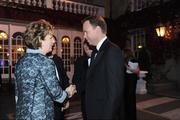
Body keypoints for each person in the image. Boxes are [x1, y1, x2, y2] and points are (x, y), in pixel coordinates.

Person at [14, 19, 76, 120]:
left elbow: (17, 96)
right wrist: (69, 92)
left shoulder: (20, 61)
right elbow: (57, 96)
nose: (54, 41)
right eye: (51, 37)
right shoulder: (45, 62)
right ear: (40, 39)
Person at [82, 16, 125, 119]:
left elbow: (115, 92)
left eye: (86, 32)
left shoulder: (112, 51)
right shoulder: (94, 53)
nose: (84, 36)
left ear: (97, 30)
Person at [47, 38, 70, 120]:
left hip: (61, 99)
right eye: (53, 45)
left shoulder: (58, 60)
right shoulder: (43, 62)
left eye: (56, 45)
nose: (54, 47)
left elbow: (64, 79)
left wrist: (66, 99)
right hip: (48, 102)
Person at [72, 40, 93, 120]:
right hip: (85, 94)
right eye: (85, 46)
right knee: (86, 115)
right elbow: (76, 77)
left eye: (88, 46)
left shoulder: (100, 59)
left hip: (99, 94)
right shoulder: (80, 60)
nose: (86, 48)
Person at [123, 48, 140, 120]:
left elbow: (133, 70)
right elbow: (137, 71)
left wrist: (126, 67)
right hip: (133, 81)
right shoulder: (135, 59)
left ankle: (129, 117)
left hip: (129, 82)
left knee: (128, 101)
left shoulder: (128, 60)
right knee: (132, 101)